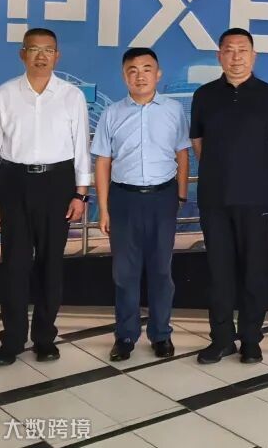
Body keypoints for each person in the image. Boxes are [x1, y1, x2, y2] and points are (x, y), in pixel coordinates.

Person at [0, 28, 91, 366]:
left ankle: (45, 338)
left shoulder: (72, 96)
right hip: (13, 183)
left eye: (48, 50)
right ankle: (12, 340)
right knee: (14, 265)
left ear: (57, 55)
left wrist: (80, 195)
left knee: (50, 265)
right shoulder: (3, 95)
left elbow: (81, 148)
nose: (41, 56)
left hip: (58, 184)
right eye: (34, 49)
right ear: (22, 54)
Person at [191, 28, 268, 365]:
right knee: (219, 273)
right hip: (214, 199)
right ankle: (221, 339)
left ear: (253, 56)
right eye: (228, 50)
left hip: (255, 199)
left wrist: (254, 176)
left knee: (254, 272)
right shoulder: (204, 96)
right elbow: (198, 143)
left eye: (242, 50)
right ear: (219, 56)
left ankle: (251, 339)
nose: (235, 56)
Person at [92, 48, 190, 361]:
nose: (140, 76)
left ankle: (161, 334)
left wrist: (180, 196)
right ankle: (125, 336)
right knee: (125, 273)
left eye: (147, 69)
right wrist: (104, 208)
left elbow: (182, 153)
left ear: (158, 74)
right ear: (124, 76)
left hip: (163, 198)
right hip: (124, 199)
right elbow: (103, 162)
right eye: (132, 70)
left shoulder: (173, 110)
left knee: (161, 271)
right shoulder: (112, 113)